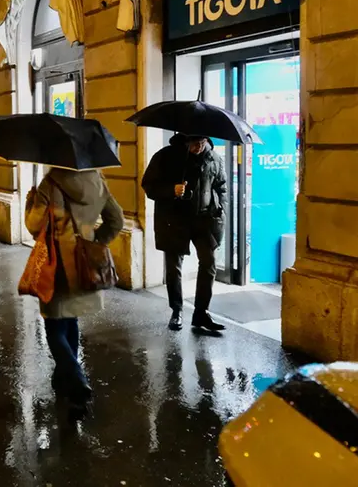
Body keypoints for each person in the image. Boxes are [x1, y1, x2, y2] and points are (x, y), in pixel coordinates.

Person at [25, 168, 123, 419]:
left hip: (56, 264)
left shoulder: (50, 183)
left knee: (54, 326)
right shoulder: (97, 179)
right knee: (72, 318)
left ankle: (76, 377)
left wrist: (30, 202)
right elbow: (116, 219)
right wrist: (95, 241)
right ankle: (63, 376)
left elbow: (35, 226)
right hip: (85, 264)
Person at [142, 134, 227, 333]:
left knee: (209, 263)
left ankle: (201, 313)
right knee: (174, 267)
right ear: (185, 140)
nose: (198, 147)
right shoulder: (165, 157)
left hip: (205, 220)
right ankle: (177, 310)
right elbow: (149, 185)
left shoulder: (214, 158)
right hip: (175, 219)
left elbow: (221, 187)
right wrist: (171, 190)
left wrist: (221, 209)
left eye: (202, 142)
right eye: (194, 143)